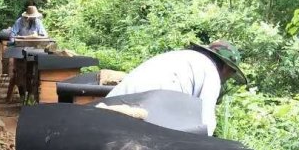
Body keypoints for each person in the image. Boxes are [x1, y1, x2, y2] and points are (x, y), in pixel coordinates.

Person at [106, 40, 247, 135]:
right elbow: (206, 125)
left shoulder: (180, 57)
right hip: (146, 118)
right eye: (231, 72)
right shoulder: (210, 71)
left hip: (109, 108)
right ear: (226, 67)